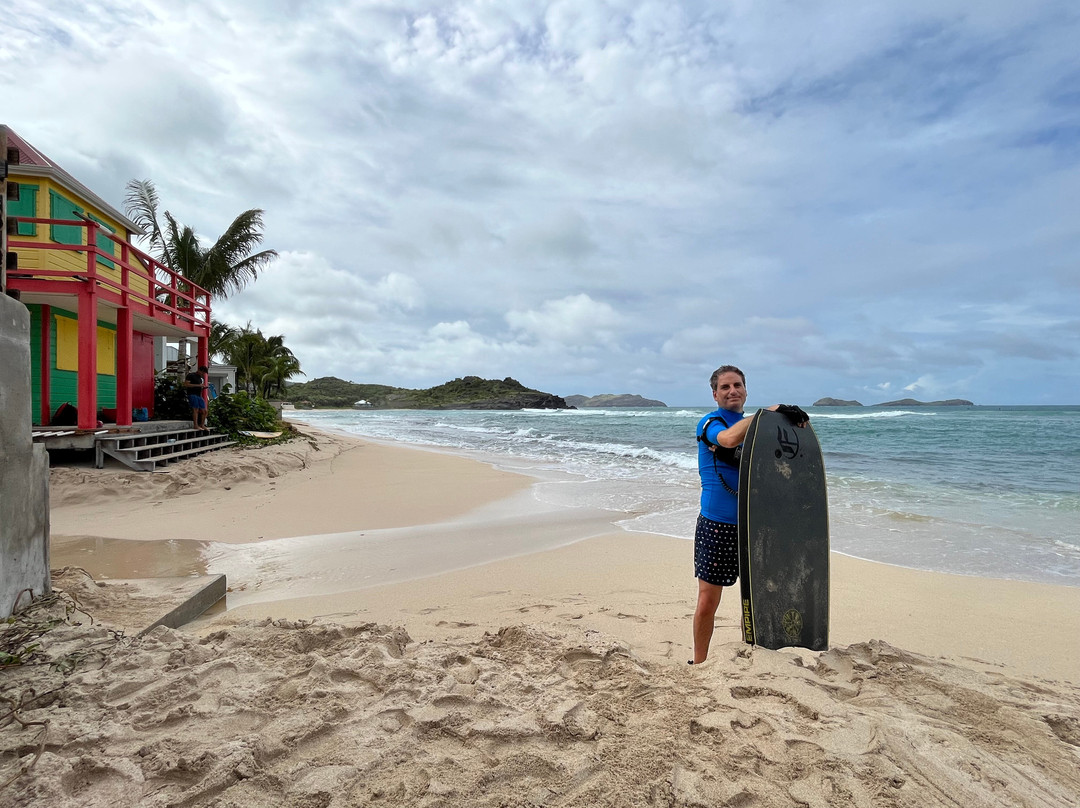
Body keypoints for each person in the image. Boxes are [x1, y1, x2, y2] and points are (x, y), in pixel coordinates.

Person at [691, 365, 808, 664]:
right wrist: (766, 413)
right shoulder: (710, 423)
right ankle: (699, 662)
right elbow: (728, 440)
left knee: (758, 599)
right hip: (717, 525)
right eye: (725, 387)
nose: (732, 391)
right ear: (715, 394)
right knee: (708, 600)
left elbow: (781, 466)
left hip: (755, 525)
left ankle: (756, 653)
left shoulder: (760, 430)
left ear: (745, 390)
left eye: (738, 385)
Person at [184, 365, 210, 433]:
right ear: (199, 371)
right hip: (192, 394)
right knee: (196, 409)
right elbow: (186, 384)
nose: (203, 374)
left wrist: (202, 387)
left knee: (205, 411)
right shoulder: (191, 375)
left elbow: (199, 386)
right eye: (203, 373)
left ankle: (202, 424)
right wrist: (198, 385)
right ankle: (195, 425)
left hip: (199, 395)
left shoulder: (200, 378)